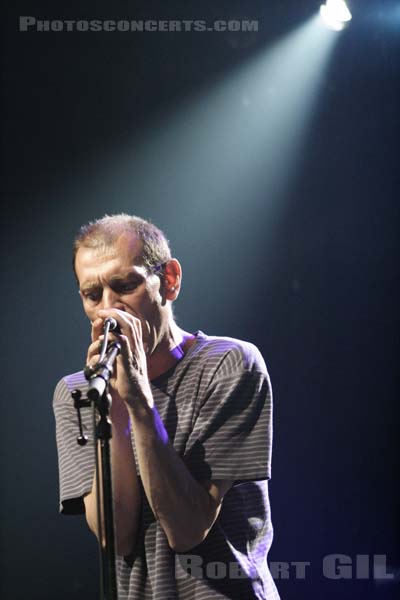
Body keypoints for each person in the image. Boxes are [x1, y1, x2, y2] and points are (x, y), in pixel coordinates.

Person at [53, 213, 280, 600]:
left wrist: (140, 403)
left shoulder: (230, 363)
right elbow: (117, 537)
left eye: (125, 286)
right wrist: (116, 409)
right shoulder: (79, 391)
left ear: (170, 280)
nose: (109, 309)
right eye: (93, 295)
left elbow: (188, 529)